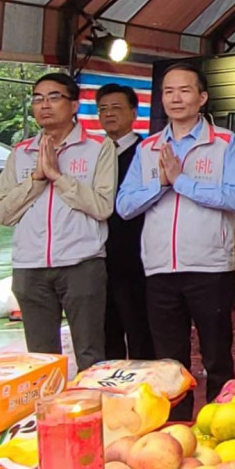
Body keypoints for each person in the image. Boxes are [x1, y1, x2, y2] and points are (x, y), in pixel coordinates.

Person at [116, 63, 235, 419]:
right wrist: (160, 184)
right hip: (159, 268)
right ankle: (177, 430)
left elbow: (233, 197)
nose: (176, 97)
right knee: (169, 363)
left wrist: (182, 181)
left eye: (185, 90)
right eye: (169, 91)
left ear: (202, 98)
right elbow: (124, 207)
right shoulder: (148, 148)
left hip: (209, 267)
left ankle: (223, 425)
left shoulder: (223, 143)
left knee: (217, 356)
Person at [0, 73, 115, 371]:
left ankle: (90, 415)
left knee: (89, 353)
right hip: (29, 268)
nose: (44, 105)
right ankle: (49, 416)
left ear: (74, 104)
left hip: (81, 264)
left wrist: (59, 177)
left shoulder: (99, 147)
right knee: (40, 360)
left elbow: (102, 207)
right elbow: (3, 213)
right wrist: (37, 179)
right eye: (38, 99)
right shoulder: (21, 153)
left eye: (54, 97)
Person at [95, 83, 153, 360]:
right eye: (103, 109)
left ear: (134, 112)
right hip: (96, 256)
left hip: (136, 256)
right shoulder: (92, 154)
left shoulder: (148, 152)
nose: (109, 115)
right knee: (106, 332)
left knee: (140, 329)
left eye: (116, 108)